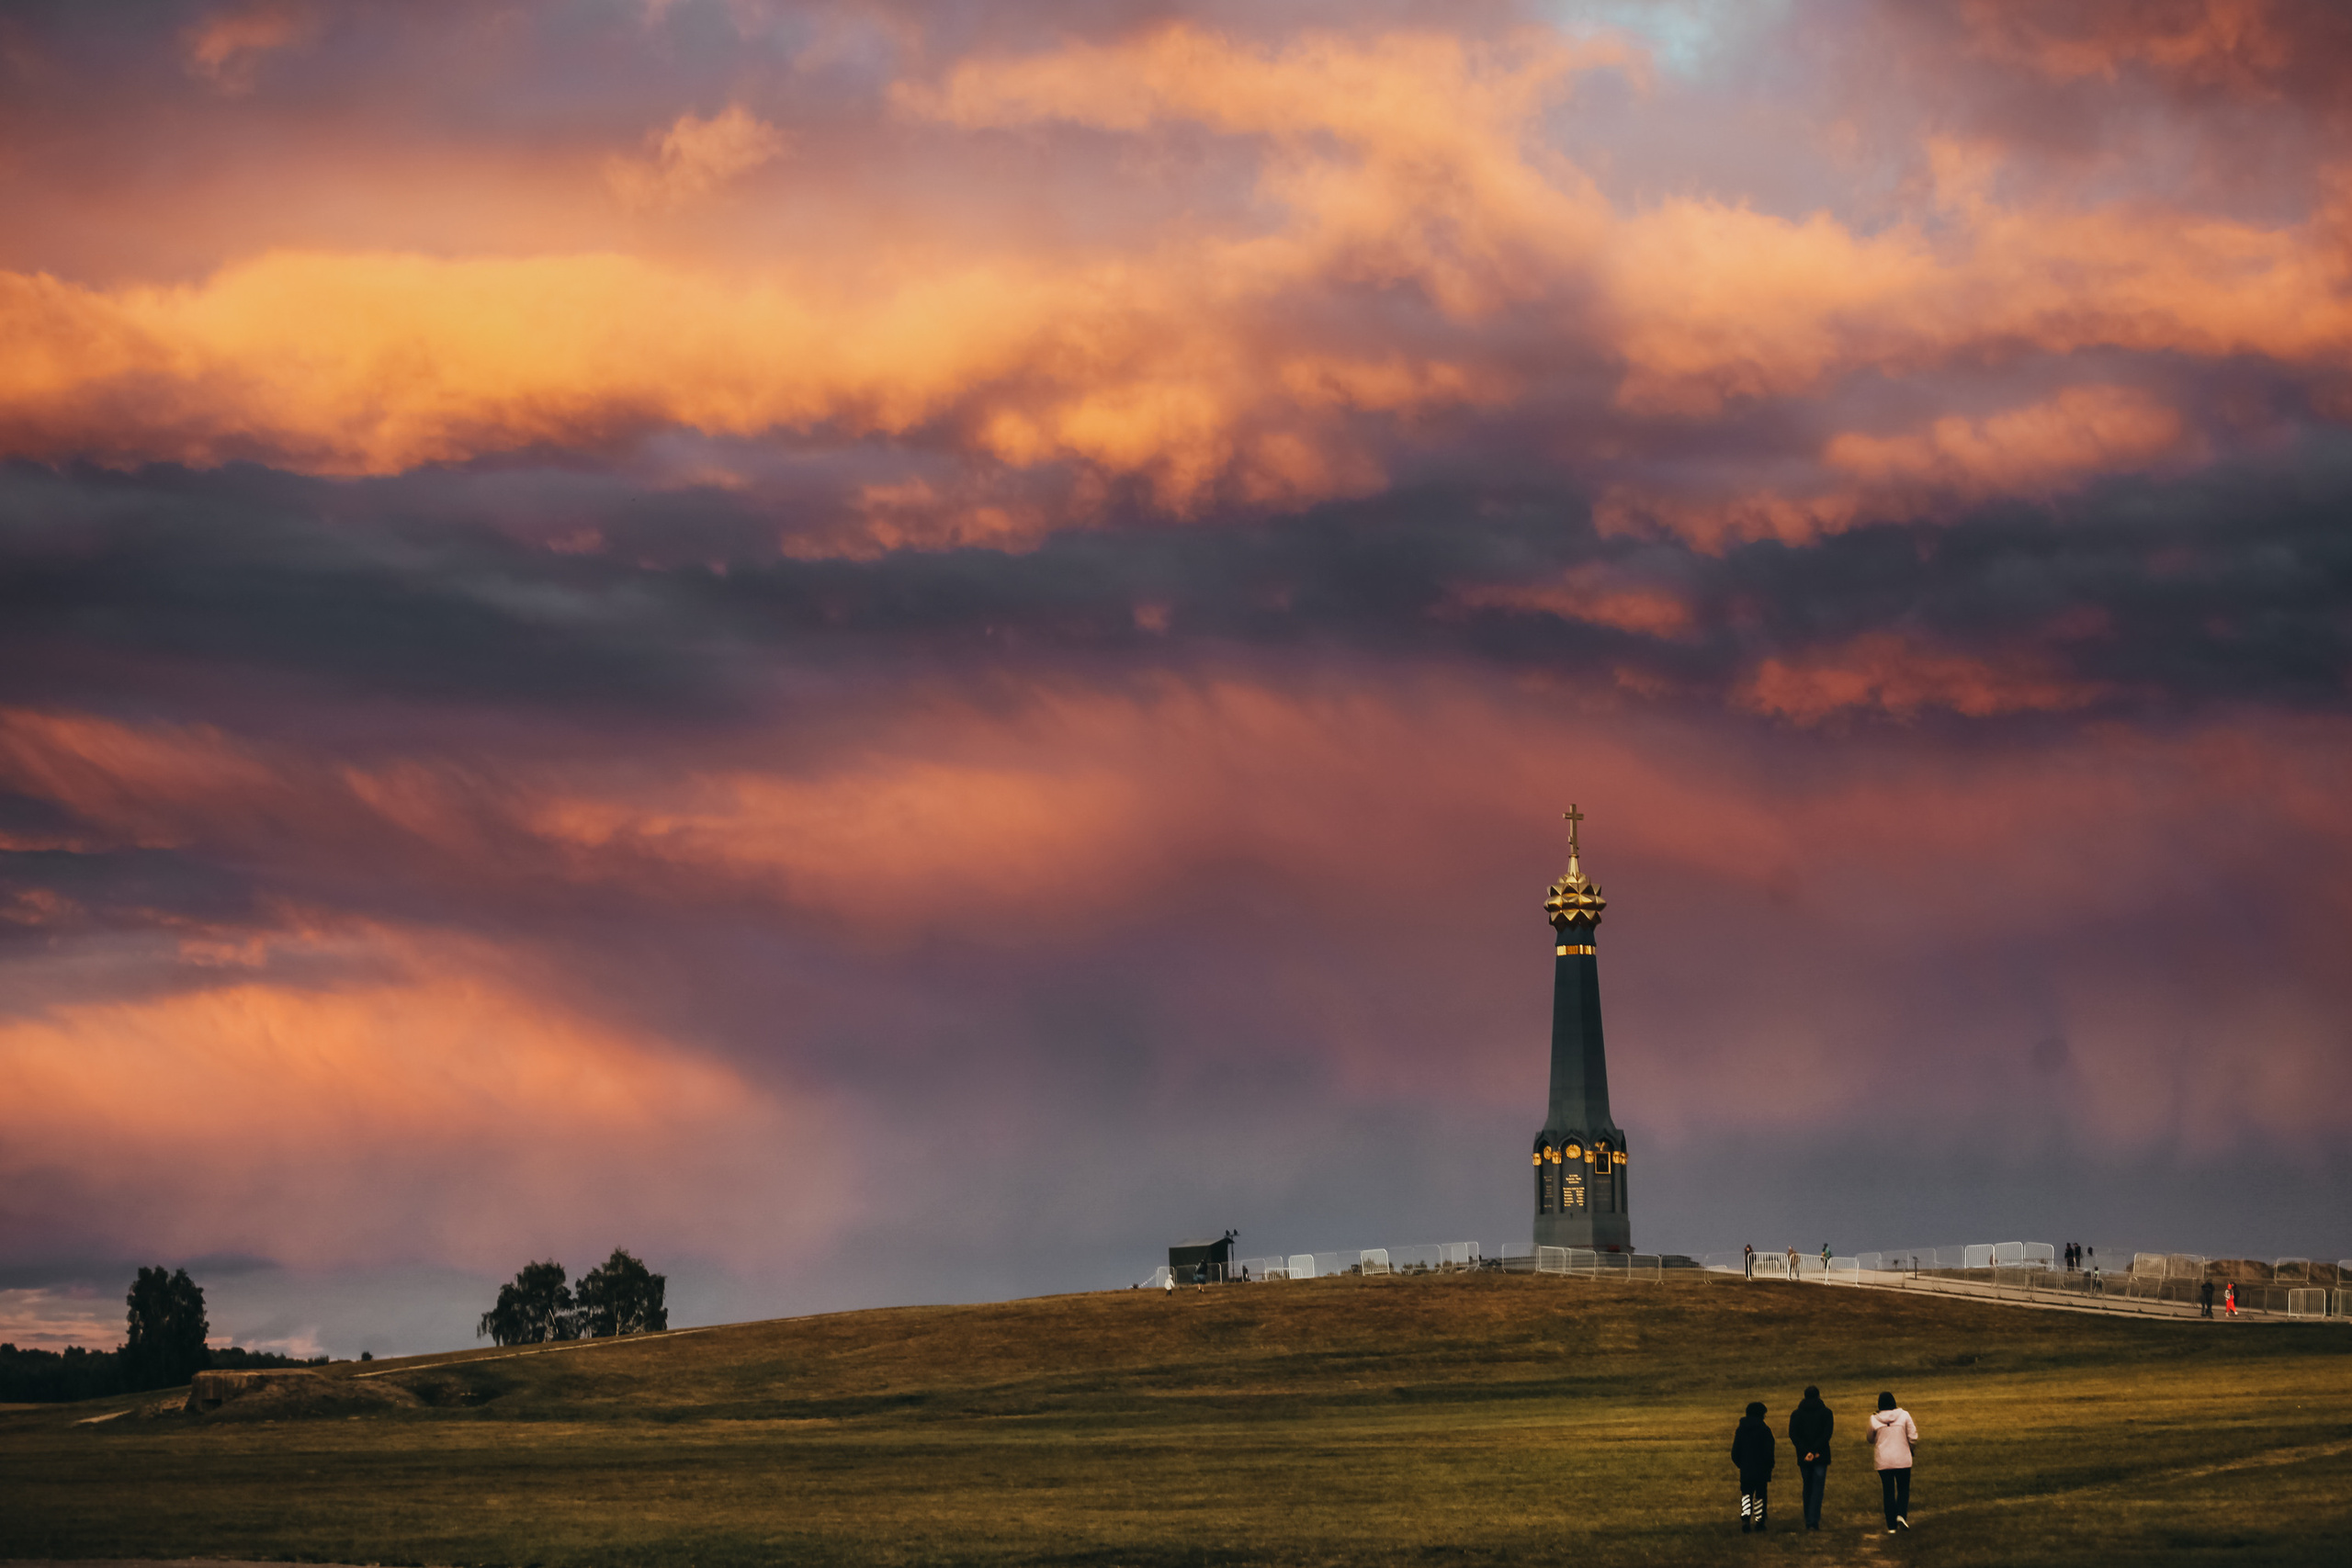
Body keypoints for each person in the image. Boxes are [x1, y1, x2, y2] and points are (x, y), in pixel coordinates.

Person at [1866, 1390, 1918, 1533]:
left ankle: (1891, 1526)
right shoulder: (1904, 1415)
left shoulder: (1874, 1419)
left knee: (1888, 1492)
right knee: (1903, 1488)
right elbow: (1913, 1436)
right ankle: (1901, 1514)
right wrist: (1911, 1448)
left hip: (1883, 1461)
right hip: (1903, 1459)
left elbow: (1870, 1438)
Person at [1789, 1385, 1835, 1530]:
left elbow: (1794, 1435)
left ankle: (1808, 1517)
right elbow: (1827, 1434)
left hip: (1804, 1456)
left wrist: (1806, 1451)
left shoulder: (1796, 1414)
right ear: (1818, 1396)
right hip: (1820, 1455)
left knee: (1807, 1486)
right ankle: (1813, 1520)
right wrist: (1815, 1451)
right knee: (1817, 1488)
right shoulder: (1826, 1413)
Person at [1733, 1400, 1776, 1532]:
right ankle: (1759, 1521)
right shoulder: (1764, 1430)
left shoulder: (1741, 1429)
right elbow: (1769, 1451)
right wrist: (1769, 1465)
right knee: (1760, 1496)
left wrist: (1741, 1464)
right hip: (1761, 1469)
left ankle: (1746, 1518)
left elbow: (1735, 1452)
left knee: (1746, 1494)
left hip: (1746, 1468)